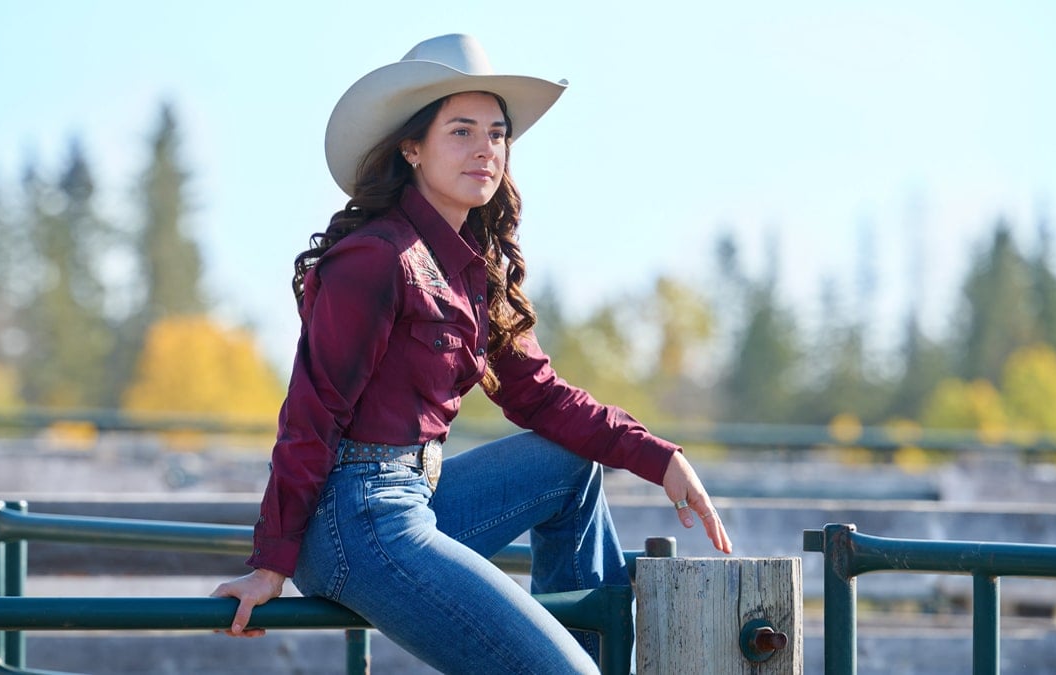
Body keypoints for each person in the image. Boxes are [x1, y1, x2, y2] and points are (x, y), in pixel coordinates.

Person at [212, 33, 732, 674]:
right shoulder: (378, 258)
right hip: (358, 521)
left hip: (416, 501)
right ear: (412, 147)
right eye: (460, 131)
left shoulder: (471, 271)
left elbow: (539, 395)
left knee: (571, 467)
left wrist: (660, 457)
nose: (484, 149)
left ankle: (597, 655)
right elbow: (310, 413)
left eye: (496, 133)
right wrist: (270, 565)